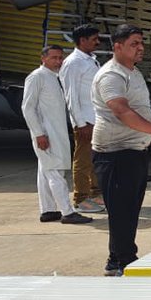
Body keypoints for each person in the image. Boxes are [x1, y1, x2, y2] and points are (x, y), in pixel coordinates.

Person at [92, 24, 151, 276]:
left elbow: (140, 110)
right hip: (115, 151)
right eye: (134, 43)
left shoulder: (133, 72)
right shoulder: (111, 75)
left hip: (132, 149)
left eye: (141, 43)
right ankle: (121, 262)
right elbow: (121, 111)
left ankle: (120, 258)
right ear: (117, 46)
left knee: (130, 209)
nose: (141, 48)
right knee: (121, 211)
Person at [22, 46, 91, 225]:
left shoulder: (54, 78)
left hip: (55, 132)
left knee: (45, 171)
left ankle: (48, 210)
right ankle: (67, 212)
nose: (58, 61)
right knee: (55, 172)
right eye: (54, 58)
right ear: (43, 58)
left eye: (60, 58)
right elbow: (27, 108)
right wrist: (39, 134)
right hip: (46, 133)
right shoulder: (37, 77)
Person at [59, 24, 104, 213]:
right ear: (82, 41)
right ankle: (80, 198)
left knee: (95, 159)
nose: (98, 42)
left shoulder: (91, 60)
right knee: (83, 160)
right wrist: (80, 123)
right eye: (94, 39)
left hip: (96, 118)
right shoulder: (73, 63)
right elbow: (70, 96)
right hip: (84, 120)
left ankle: (96, 193)